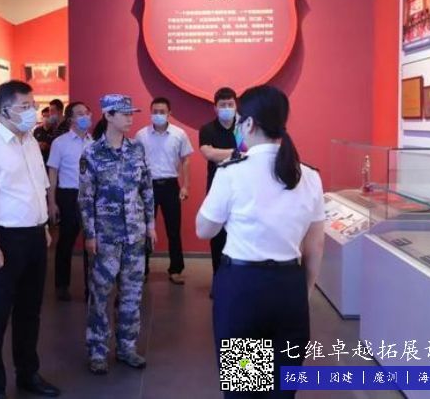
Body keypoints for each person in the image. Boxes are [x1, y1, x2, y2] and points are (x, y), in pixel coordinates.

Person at [196, 85, 325, 399]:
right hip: (289, 289)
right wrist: (303, 291)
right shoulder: (309, 176)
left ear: (249, 124)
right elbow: (315, 246)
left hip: (243, 291)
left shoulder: (231, 173)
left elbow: (204, 230)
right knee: (283, 391)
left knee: (245, 391)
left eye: (239, 120)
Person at [0, 80, 61, 399]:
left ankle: (27, 373)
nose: (32, 112)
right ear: (4, 110)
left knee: (29, 312)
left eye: (33, 105)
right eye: (25, 106)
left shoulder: (29, 141)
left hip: (33, 236)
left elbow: (37, 188)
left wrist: (42, 227)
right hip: (2, 238)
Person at [79, 94, 157, 375]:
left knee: (132, 295)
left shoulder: (137, 149)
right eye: (124, 113)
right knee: (100, 294)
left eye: (131, 113)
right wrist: (90, 234)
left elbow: (146, 189)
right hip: (106, 237)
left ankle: (126, 347)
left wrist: (150, 225)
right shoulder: (92, 153)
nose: (130, 118)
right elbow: (85, 198)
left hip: (134, 235)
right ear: (108, 115)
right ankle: (97, 350)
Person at [134, 97, 193, 284]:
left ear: (169, 113)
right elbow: (135, 162)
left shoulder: (179, 134)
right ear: (150, 112)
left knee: (173, 229)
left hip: (170, 185)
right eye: (155, 111)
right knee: (144, 229)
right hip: (147, 186)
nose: (158, 114)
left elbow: (186, 160)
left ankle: (176, 269)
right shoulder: (141, 135)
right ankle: (142, 269)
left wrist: (185, 186)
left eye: (162, 111)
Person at [47, 101, 93, 301]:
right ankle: (62, 285)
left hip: (90, 196)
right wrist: (51, 202)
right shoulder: (60, 143)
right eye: (80, 113)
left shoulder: (94, 143)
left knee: (91, 243)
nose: (85, 116)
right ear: (70, 119)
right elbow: (52, 173)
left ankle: (91, 287)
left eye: (87, 112)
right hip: (68, 196)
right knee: (66, 242)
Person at [198, 87, 239, 278]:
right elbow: (209, 154)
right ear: (215, 108)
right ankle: (218, 279)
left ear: (236, 105)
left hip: (242, 189)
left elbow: (249, 153)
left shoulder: (243, 127)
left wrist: (221, 153)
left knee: (238, 235)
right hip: (216, 189)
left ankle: (236, 281)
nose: (227, 108)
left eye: (230, 104)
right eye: (223, 105)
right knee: (217, 237)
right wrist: (237, 153)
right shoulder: (207, 129)